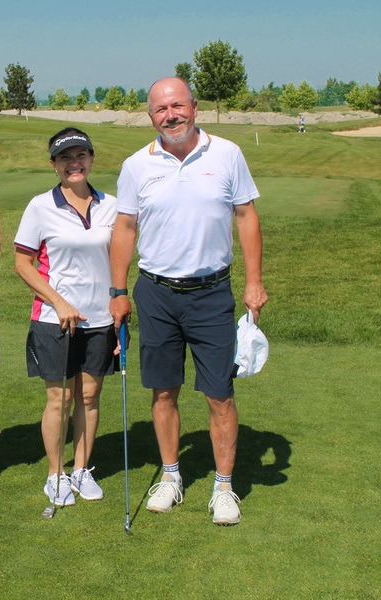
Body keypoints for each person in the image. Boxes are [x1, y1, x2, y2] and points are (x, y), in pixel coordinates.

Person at [109, 77, 268, 526]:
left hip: (212, 293)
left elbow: (246, 216)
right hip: (155, 293)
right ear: (150, 117)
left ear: (194, 107)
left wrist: (254, 281)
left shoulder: (227, 154)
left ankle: (223, 486)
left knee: (220, 394)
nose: (171, 115)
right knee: (163, 390)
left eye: (177, 106)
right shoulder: (136, 165)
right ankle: (171, 475)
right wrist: (117, 292)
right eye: (161, 109)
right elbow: (124, 229)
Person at [14, 128, 118, 508]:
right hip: (54, 319)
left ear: (91, 159)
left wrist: (118, 309)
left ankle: (81, 469)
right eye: (65, 158)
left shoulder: (112, 206)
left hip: (100, 319)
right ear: (54, 165)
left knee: (89, 397)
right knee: (61, 397)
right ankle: (55, 474)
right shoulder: (40, 206)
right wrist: (58, 302)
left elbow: (119, 261)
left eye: (81, 156)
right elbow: (22, 264)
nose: (74, 163)